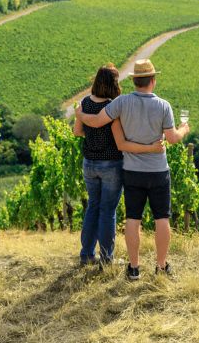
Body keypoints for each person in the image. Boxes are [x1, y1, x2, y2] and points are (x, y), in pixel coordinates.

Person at [77, 58, 189, 280]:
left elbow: (97, 121)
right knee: (162, 218)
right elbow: (172, 139)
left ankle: (134, 268)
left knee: (132, 219)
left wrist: (79, 114)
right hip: (158, 171)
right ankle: (160, 266)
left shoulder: (121, 103)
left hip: (131, 171)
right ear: (153, 81)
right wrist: (184, 129)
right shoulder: (164, 105)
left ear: (135, 81)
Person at [73, 64, 162, 267]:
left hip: (89, 163)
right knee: (107, 210)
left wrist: (88, 128)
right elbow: (120, 137)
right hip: (111, 164)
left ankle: (86, 254)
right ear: (114, 84)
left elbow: (77, 132)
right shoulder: (114, 106)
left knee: (92, 207)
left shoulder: (85, 103)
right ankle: (106, 258)